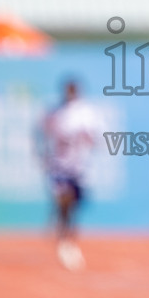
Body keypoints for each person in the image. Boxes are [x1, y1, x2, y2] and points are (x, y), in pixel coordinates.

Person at [40, 78, 101, 271]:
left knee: (74, 203)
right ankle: (64, 239)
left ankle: (67, 232)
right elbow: (43, 133)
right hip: (60, 165)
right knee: (63, 198)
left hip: (79, 167)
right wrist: (44, 155)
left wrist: (86, 139)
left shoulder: (86, 112)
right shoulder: (56, 113)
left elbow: (94, 136)